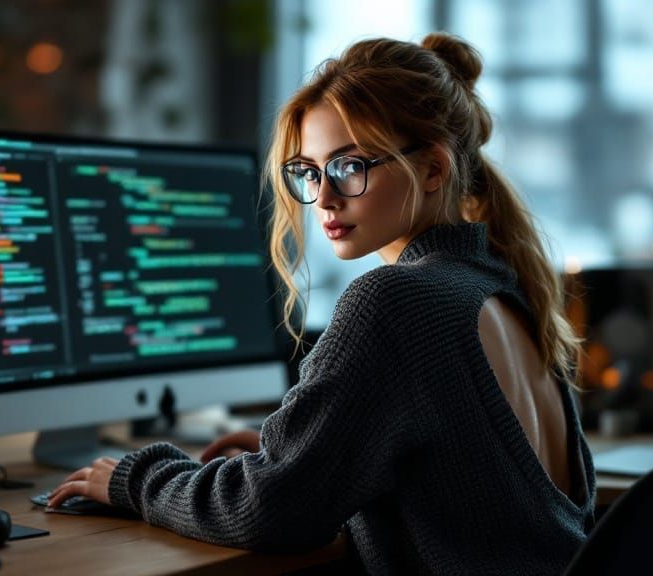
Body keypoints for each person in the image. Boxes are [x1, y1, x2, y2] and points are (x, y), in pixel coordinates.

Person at [48, 32, 596, 574]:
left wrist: (136, 479)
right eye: (309, 171)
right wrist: (297, 457)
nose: (325, 198)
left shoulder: (397, 299)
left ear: (434, 168)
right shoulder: (507, 288)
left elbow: (270, 513)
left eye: (349, 166)